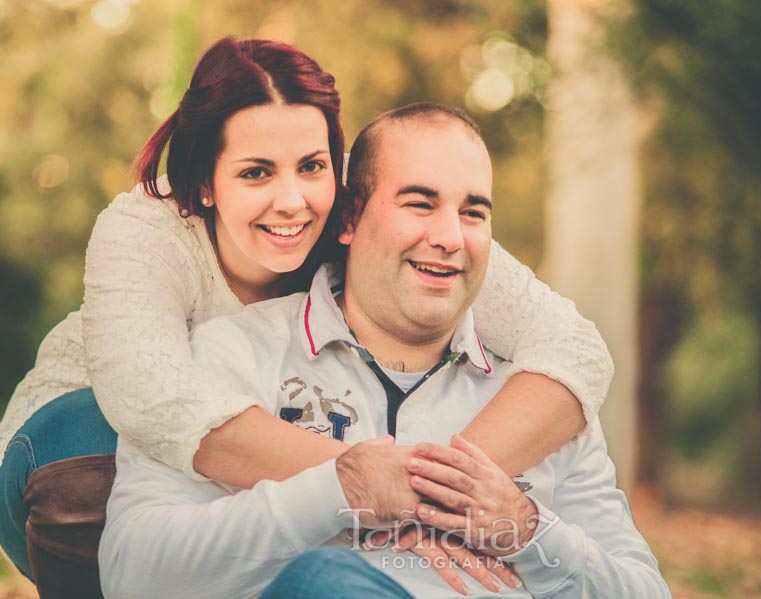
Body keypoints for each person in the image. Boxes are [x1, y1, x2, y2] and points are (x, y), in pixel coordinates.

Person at [0, 37, 612, 596]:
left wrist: (439, 490)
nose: (292, 201)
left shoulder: (377, 210)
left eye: (312, 167)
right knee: (107, 458)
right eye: (256, 172)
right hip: (67, 448)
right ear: (205, 182)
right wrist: (366, 488)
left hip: (256, 457)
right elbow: (154, 401)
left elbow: (573, 349)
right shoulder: (146, 228)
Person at [99, 103, 670, 599]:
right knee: (324, 580)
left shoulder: (540, 396)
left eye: (473, 212)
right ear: (350, 217)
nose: (450, 236)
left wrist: (526, 528)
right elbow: (133, 574)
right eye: (419, 204)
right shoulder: (233, 357)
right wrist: (336, 491)